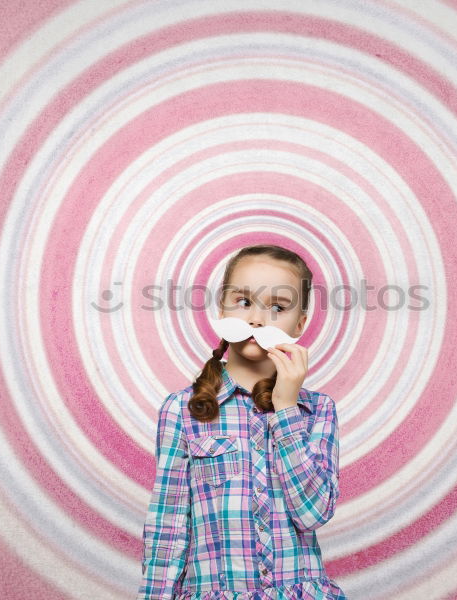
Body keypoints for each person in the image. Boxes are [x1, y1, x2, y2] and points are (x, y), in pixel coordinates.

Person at [137, 244, 346, 599]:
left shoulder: (317, 411)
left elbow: (313, 514)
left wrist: (285, 408)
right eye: (244, 301)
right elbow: (167, 530)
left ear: (300, 324)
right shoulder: (181, 411)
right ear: (222, 308)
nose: (257, 319)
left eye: (277, 307)